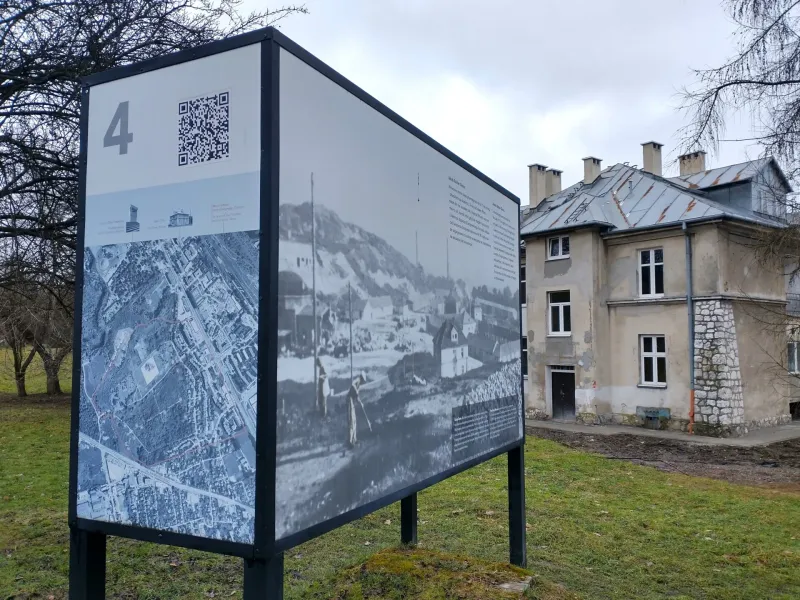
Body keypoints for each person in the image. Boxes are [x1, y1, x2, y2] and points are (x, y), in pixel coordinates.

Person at [346, 371, 370, 448]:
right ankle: (350, 442)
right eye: (363, 380)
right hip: (349, 401)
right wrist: (356, 394)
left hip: (352, 402)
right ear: (362, 378)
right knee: (351, 422)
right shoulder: (357, 380)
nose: (363, 382)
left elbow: (356, 397)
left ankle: (354, 439)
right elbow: (352, 385)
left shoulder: (359, 384)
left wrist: (359, 402)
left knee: (354, 422)